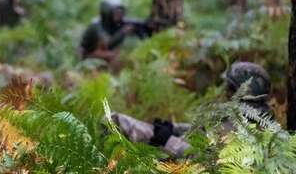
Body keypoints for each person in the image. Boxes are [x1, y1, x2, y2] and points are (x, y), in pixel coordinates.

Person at [111, 61, 273, 158]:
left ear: (243, 91)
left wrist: (168, 140)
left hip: (182, 163)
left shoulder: (247, 125)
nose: (225, 92)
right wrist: (174, 128)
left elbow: (208, 160)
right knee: (116, 120)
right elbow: (206, 130)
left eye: (229, 88)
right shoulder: (245, 115)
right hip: (180, 147)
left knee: (118, 124)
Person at [80, 0, 152, 62]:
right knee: (117, 57)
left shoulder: (115, 23)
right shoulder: (96, 25)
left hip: (102, 52)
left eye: (120, 13)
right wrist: (123, 32)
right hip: (89, 53)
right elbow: (107, 44)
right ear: (107, 13)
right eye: (116, 13)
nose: (119, 16)